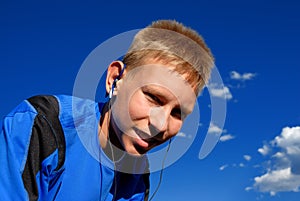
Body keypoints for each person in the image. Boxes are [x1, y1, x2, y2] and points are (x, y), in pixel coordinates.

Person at [0, 19, 214, 201]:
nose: (160, 125)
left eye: (178, 113)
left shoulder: (138, 177)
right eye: (153, 98)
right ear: (115, 78)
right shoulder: (44, 125)